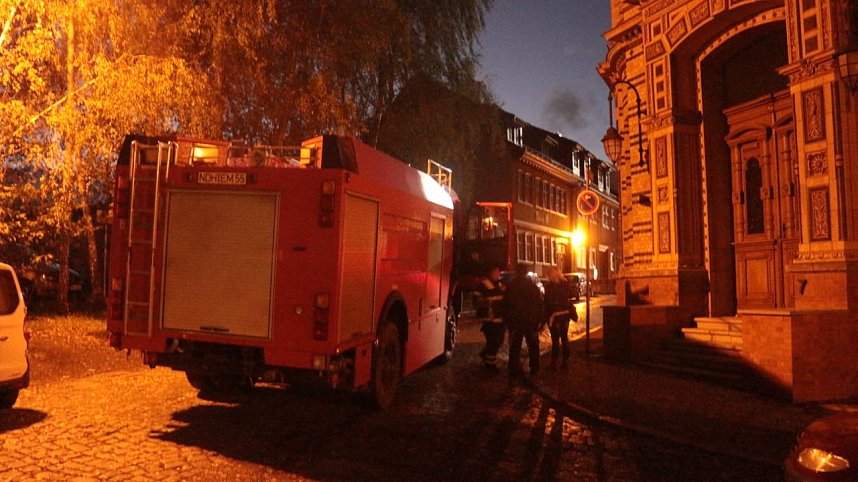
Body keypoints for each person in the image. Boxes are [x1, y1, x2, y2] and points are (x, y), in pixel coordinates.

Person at [502, 263, 543, 380]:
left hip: (516, 322)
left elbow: (506, 305)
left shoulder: (511, 287)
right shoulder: (532, 287)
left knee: (515, 347)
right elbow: (539, 305)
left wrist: (507, 322)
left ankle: (513, 370)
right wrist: (538, 321)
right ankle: (534, 368)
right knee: (533, 346)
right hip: (530, 322)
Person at [543, 267, 577, 369]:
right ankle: (565, 361)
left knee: (555, 340)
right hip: (565, 315)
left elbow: (547, 302)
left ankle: (554, 363)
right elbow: (570, 297)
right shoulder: (565, 285)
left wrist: (546, 316)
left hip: (554, 316)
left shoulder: (549, 287)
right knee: (564, 338)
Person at [474, 265, 505, 371]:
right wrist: (489, 306)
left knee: (499, 341)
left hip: (500, 319)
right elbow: (476, 300)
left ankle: (486, 355)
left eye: (499, 272)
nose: (498, 274)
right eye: (496, 272)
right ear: (491, 273)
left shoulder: (499, 285)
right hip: (490, 320)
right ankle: (490, 365)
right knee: (493, 342)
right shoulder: (484, 285)